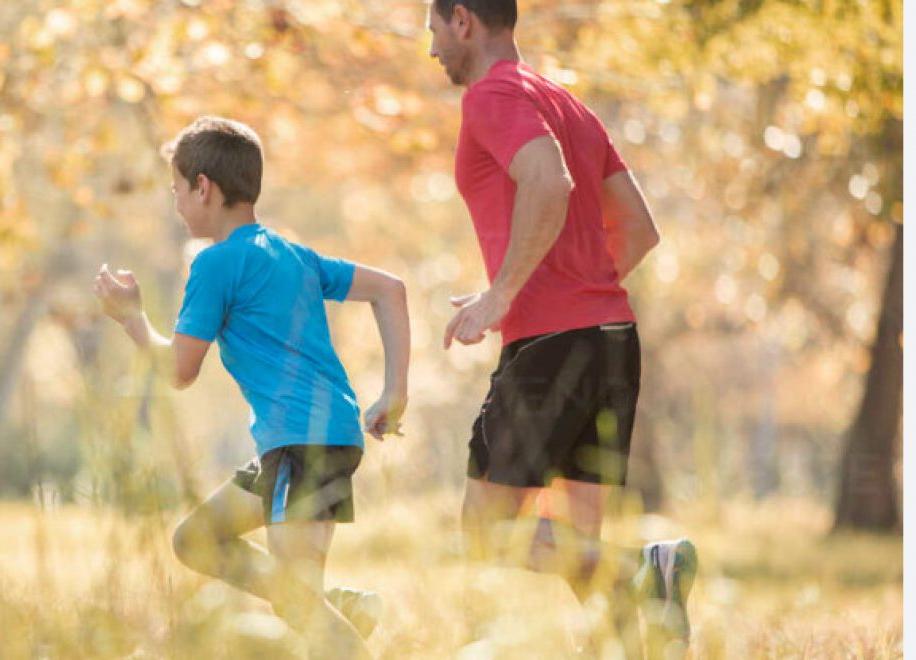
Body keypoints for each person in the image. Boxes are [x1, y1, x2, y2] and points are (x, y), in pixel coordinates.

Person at [425, 0, 697, 655]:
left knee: (486, 532)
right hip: (611, 342)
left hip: (550, 346)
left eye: (432, 28)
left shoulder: (493, 95)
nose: (430, 47)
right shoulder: (566, 103)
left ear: (463, 20)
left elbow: (548, 181)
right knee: (578, 545)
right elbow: (639, 228)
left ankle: (643, 566)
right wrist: (561, 290)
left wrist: (505, 296)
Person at [93, 116, 409, 660]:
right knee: (196, 539)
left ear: (203, 187)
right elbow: (392, 290)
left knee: (299, 607)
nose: (175, 203)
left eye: (176, 189)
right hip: (307, 439)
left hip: (302, 442)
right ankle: (336, 606)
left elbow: (180, 371)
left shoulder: (215, 264)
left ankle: (334, 622)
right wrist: (394, 392)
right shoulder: (293, 255)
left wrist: (131, 320)